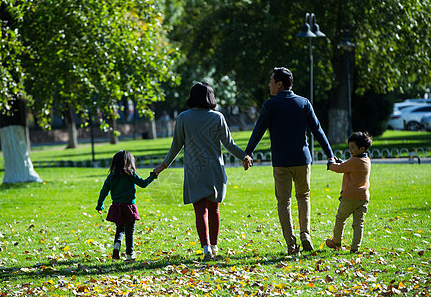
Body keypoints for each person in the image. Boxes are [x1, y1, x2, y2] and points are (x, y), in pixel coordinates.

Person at [153, 82, 252, 261]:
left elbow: (176, 146)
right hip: (215, 170)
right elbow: (229, 144)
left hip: (194, 171)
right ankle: (214, 246)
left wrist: (163, 166)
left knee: (201, 211)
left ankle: (206, 248)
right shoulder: (217, 117)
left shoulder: (183, 118)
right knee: (214, 210)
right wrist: (244, 157)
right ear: (210, 98)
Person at [244, 67, 334, 255]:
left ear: (279, 83)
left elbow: (258, 131)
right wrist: (329, 154)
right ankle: (305, 235)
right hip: (302, 159)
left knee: (283, 202)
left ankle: (291, 244)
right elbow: (317, 130)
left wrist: (248, 152)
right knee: (304, 197)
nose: (269, 84)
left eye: (271, 81)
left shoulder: (270, 105)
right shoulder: (304, 103)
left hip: (281, 161)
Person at [96, 150, 157, 261]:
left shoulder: (111, 176)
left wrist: (100, 205)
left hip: (116, 207)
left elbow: (103, 191)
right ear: (129, 162)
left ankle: (116, 246)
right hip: (129, 207)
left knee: (120, 229)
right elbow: (143, 184)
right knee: (130, 231)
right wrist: (152, 176)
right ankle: (129, 254)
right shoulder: (130, 174)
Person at [326, 131, 372, 253]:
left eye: (352, 147)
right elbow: (348, 165)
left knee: (340, 218)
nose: (350, 150)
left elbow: (341, 168)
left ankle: (336, 241)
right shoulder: (366, 160)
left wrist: (331, 164)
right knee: (358, 224)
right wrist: (341, 161)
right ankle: (355, 247)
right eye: (349, 147)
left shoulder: (354, 161)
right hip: (363, 198)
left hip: (350, 197)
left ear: (361, 148)